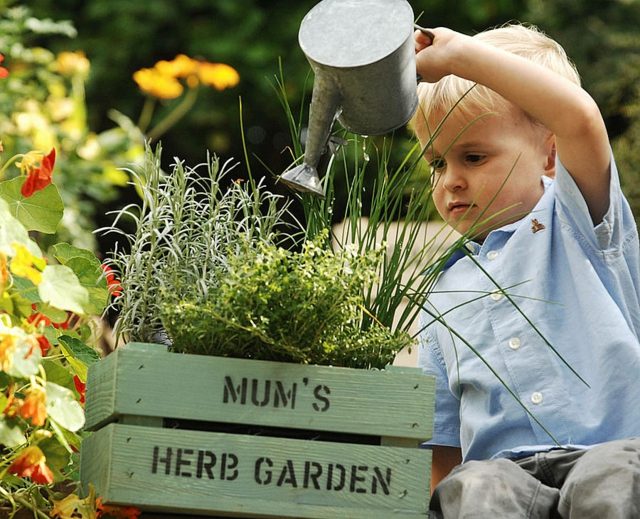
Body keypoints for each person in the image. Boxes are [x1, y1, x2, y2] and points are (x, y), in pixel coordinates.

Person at [412, 22, 640, 517]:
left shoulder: (580, 221)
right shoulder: (442, 292)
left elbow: (578, 117)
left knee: (614, 481)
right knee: (471, 491)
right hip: (501, 471)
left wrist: (459, 57)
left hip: (610, 450)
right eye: (437, 163)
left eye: (473, 156)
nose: (451, 180)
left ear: (552, 154)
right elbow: (445, 444)